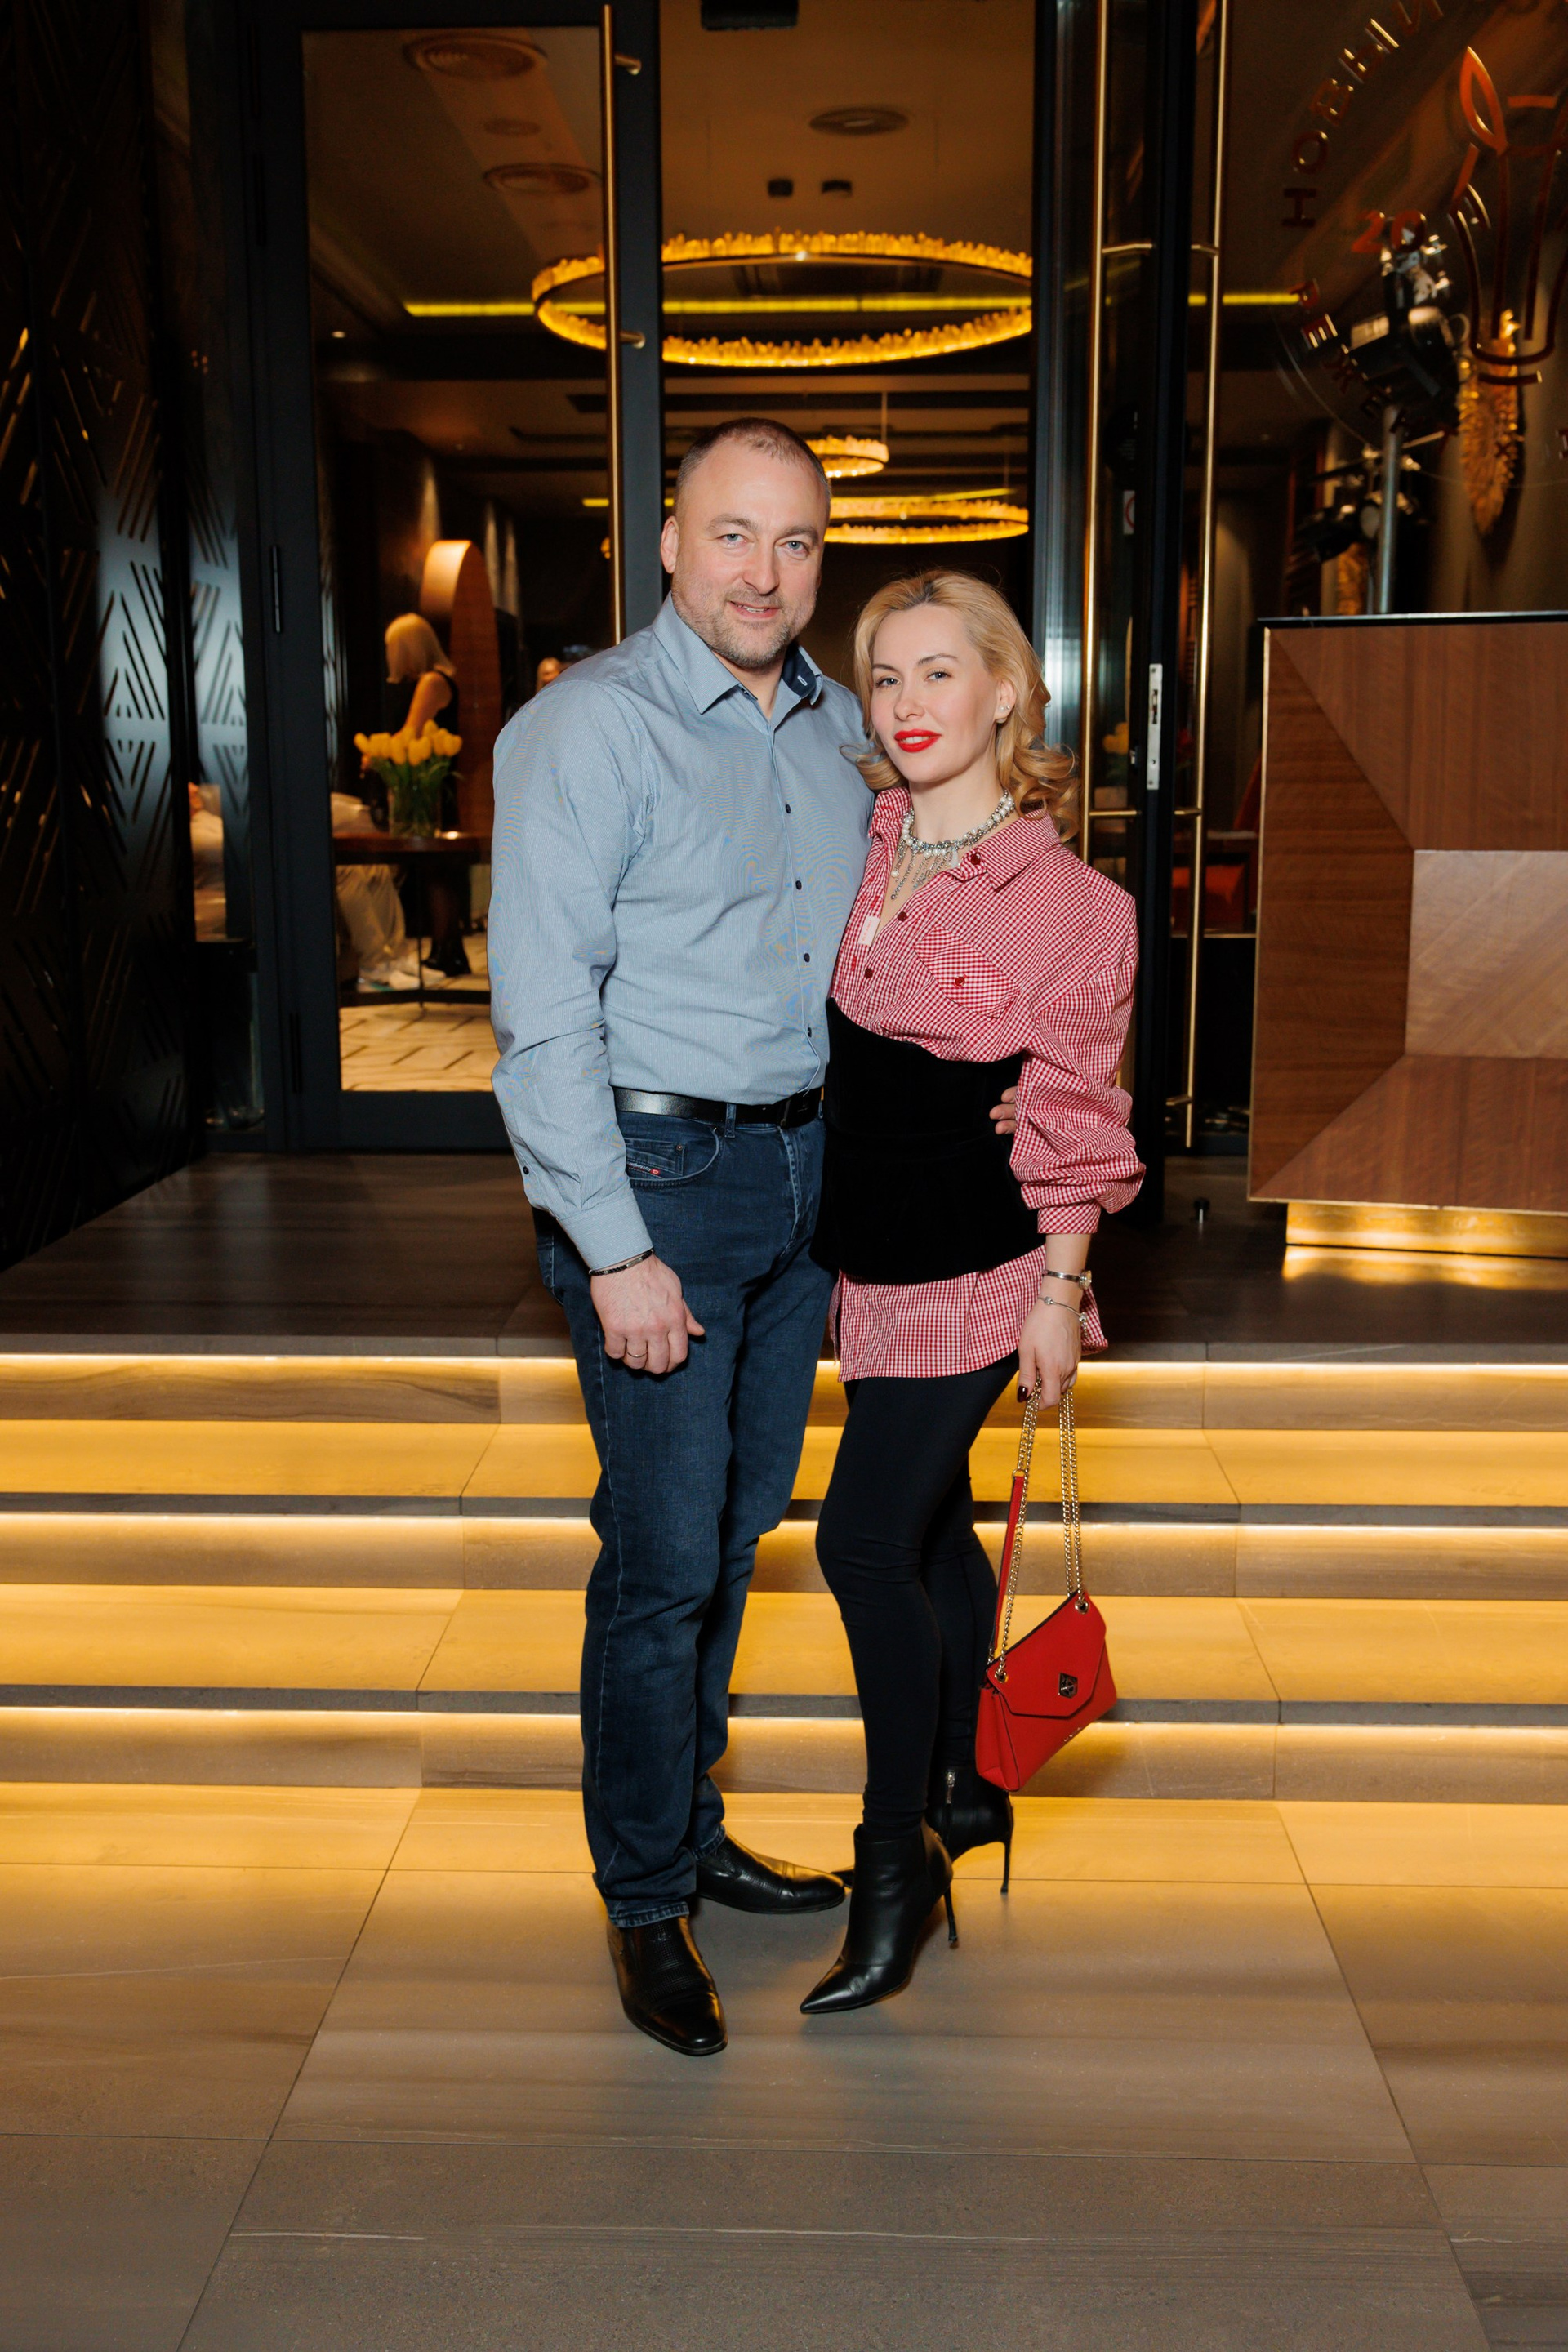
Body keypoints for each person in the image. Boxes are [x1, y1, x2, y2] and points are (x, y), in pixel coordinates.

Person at [490, 420, 881, 2058]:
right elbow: (540, 1016)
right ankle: (645, 1897)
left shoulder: (844, 727)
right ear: (667, 544)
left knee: (731, 1542)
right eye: (732, 534)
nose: (763, 574)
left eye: (796, 542)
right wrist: (615, 1247)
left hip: (807, 1180)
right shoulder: (587, 728)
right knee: (658, 1568)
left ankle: (692, 1829)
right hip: (661, 1182)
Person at [800, 571, 1143, 2017]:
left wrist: (1062, 1287)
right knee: (934, 1530)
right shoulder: (862, 834)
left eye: (940, 673)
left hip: (983, 1262)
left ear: (1008, 689)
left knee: (862, 1543)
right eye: (886, 677)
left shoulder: (1076, 905)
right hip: (868, 1253)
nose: (908, 704)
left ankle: (897, 1865)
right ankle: (964, 1787)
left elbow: (1074, 1106)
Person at [378, 613, 468, 979]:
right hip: (433, 786)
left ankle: (445, 950)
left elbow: (410, 735)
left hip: (430, 791)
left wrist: (377, 753)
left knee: (436, 871)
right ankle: (448, 949)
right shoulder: (437, 680)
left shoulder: (432, 682)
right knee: (438, 872)